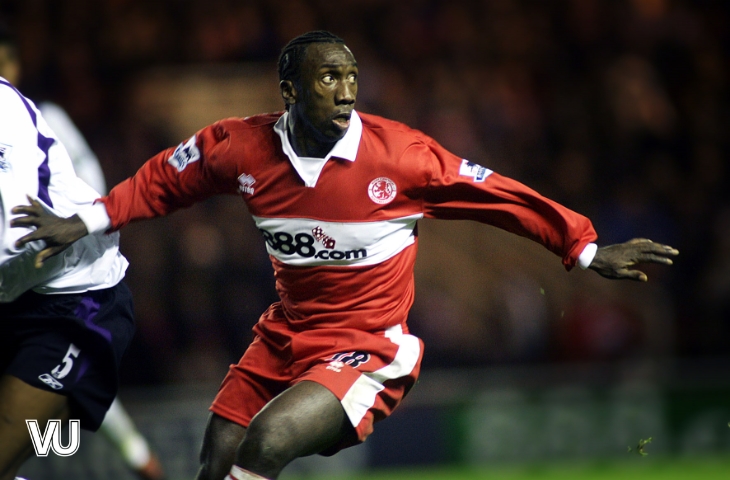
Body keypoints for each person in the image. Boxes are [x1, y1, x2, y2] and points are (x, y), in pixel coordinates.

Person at [11, 31, 679, 480]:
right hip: (284, 338)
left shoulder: (401, 156)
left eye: (352, 76)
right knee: (216, 459)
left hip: (368, 346)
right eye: (330, 77)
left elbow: (497, 195)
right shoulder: (241, 149)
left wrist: (585, 248)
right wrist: (87, 219)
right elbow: (162, 180)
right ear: (291, 90)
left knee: (266, 443)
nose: (348, 89)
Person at [0, 26, 164, 480]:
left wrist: (87, 219)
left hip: (74, 299)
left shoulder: (8, 111)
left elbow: (23, 237)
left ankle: (139, 459)